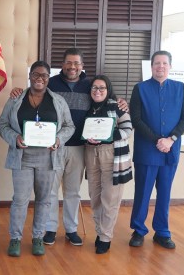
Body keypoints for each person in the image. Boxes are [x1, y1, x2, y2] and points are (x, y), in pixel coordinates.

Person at [9, 48, 127, 246]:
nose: (73, 67)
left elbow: (105, 98)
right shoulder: (51, 82)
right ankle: (50, 228)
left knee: (73, 191)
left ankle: (71, 229)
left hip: (79, 147)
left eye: (77, 63)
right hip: (52, 147)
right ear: (62, 65)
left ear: (82, 66)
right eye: (69, 63)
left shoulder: (90, 85)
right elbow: (33, 93)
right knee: (51, 192)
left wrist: (121, 102)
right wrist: (17, 90)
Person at [0, 61, 75, 257]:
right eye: (36, 75)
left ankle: (38, 237)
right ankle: (15, 239)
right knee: (20, 199)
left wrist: (58, 140)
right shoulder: (16, 99)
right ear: (30, 76)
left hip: (48, 158)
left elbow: (69, 126)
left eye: (44, 76)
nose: (40, 79)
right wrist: (15, 138)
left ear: (49, 78)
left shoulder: (58, 101)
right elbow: (3, 124)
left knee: (44, 199)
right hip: (22, 157)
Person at [129, 50, 184, 249]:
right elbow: (136, 119)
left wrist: (170, 139)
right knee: (143, 192)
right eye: (157, 63)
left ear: (170, 66)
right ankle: (138, 230)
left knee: (165, 192)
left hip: (170, 150)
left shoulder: (180, 88)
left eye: (164, 63)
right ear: (151, 66)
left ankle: (162, 232)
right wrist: (158, 140)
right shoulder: (140, 89)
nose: (160, 66)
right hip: (147, 150)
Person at [83, 75, 133, 254]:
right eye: (94, 88)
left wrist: (109, 136)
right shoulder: (87, 107)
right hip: (91, 153)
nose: (97, 91)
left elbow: (127, 129)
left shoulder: (117, 106)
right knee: (95, 196)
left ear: (108, 89)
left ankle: (106, 236)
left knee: (110, 198)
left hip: (112, 154)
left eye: (102, 88)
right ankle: (99, 231)